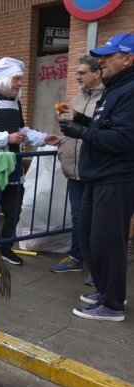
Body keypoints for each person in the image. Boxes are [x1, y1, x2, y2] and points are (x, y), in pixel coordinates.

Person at [60, 34, 134, 322]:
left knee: (107, 242)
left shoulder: (129, 90)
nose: (101, 60)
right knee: (89, 237)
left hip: (115, 178)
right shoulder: (116, 88)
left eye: (109, 55)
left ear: (127, 59)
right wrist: (82, 120)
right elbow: (107, 125)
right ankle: (106, 291)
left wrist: (81, 133)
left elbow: (124, 138)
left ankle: (113, 305)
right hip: (99, 176)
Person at [0, 57, 60, 266]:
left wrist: (44, 138)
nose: (20, 83)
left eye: (20, 79)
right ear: (4, 79)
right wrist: (6, 138)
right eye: (16, 79)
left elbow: (22, 131)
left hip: (12, 165)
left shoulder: (16, 103)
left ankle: (5, 248)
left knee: (14, 209)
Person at [51, 55, 104, 285]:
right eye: (77, 73)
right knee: (78, 216)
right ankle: (76, 256)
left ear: (97, 73)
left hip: (94, 168)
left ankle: (97, 265)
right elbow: (71, 128)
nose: (78, 77)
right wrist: (60, 140)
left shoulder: (107, 99)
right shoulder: (78, 97)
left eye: (82, 73)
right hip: (73, 167)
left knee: (97, 219)